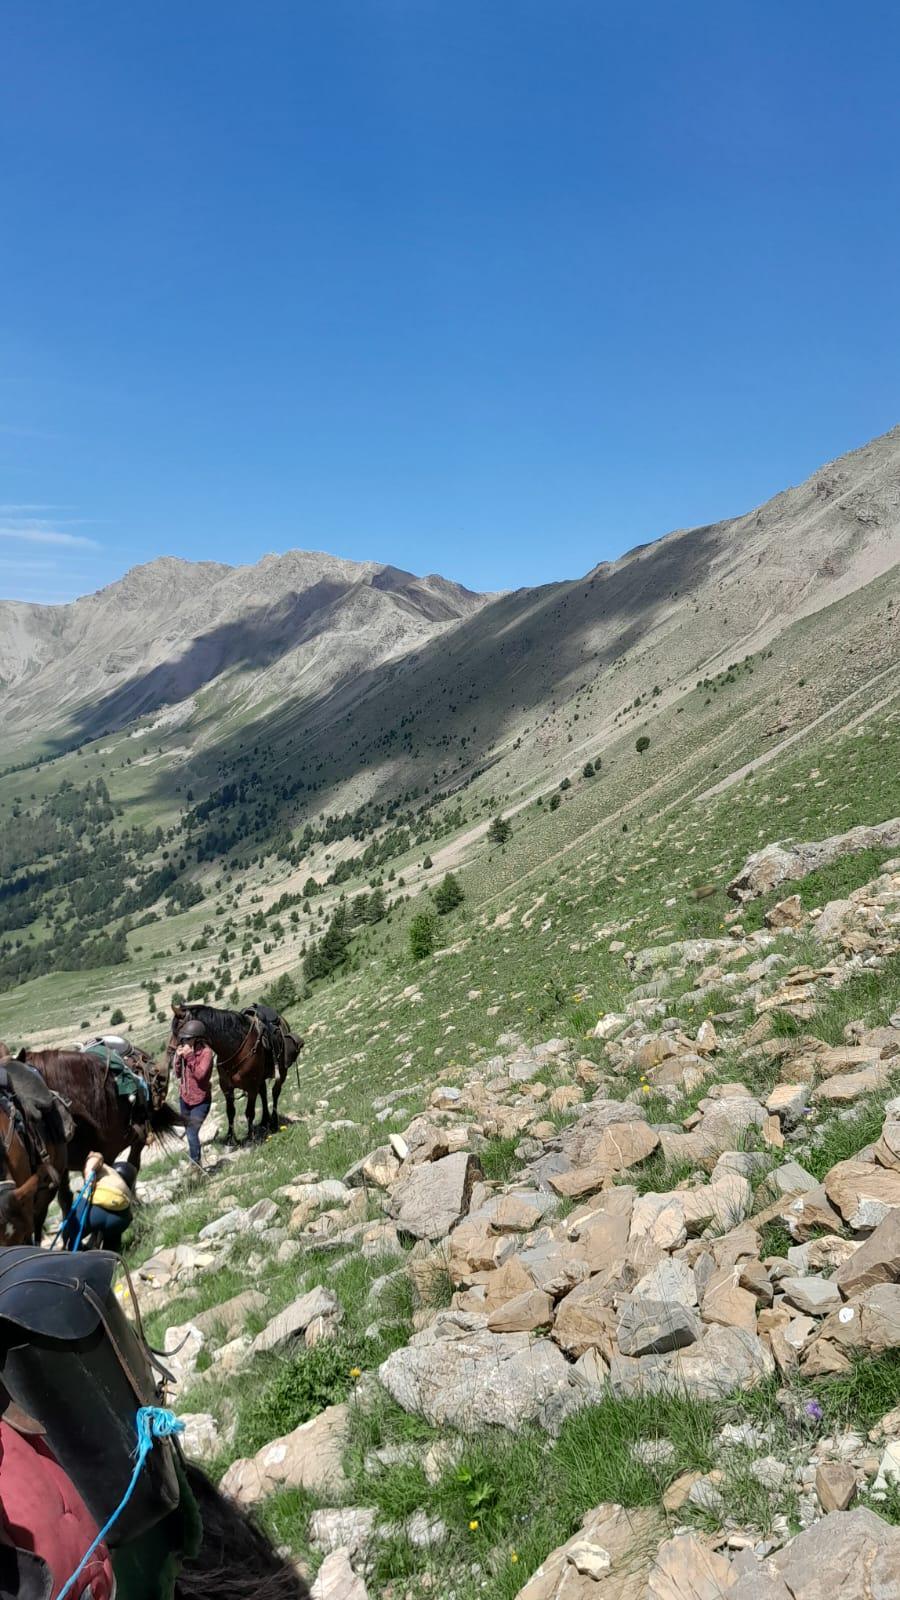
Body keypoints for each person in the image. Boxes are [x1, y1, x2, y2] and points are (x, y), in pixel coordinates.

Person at [62, 1153, 136, 1253]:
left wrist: (89, 1172)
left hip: (96, 1208)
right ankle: (109, 1259)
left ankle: (73, 1252)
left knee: (71, 1234)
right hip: (120, 1219)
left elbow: (96, 1155)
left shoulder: (107, 1170)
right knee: (112, 1245)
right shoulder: (126, 1190)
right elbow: (129, 1217)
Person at [172, 1022, 213, 1168]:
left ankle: (196, 1166)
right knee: (189, 1131)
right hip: (185, 1098)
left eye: (187, 1039)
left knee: (191, 1132)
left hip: (201, 1100)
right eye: (183, 1039)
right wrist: (178, 1058)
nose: (184, 1042)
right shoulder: (185, 1051)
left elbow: (201, 1075)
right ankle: (195, 1162)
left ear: (197, 1039)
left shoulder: (206, 1053)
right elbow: (177, 1074)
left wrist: (189, 1056)